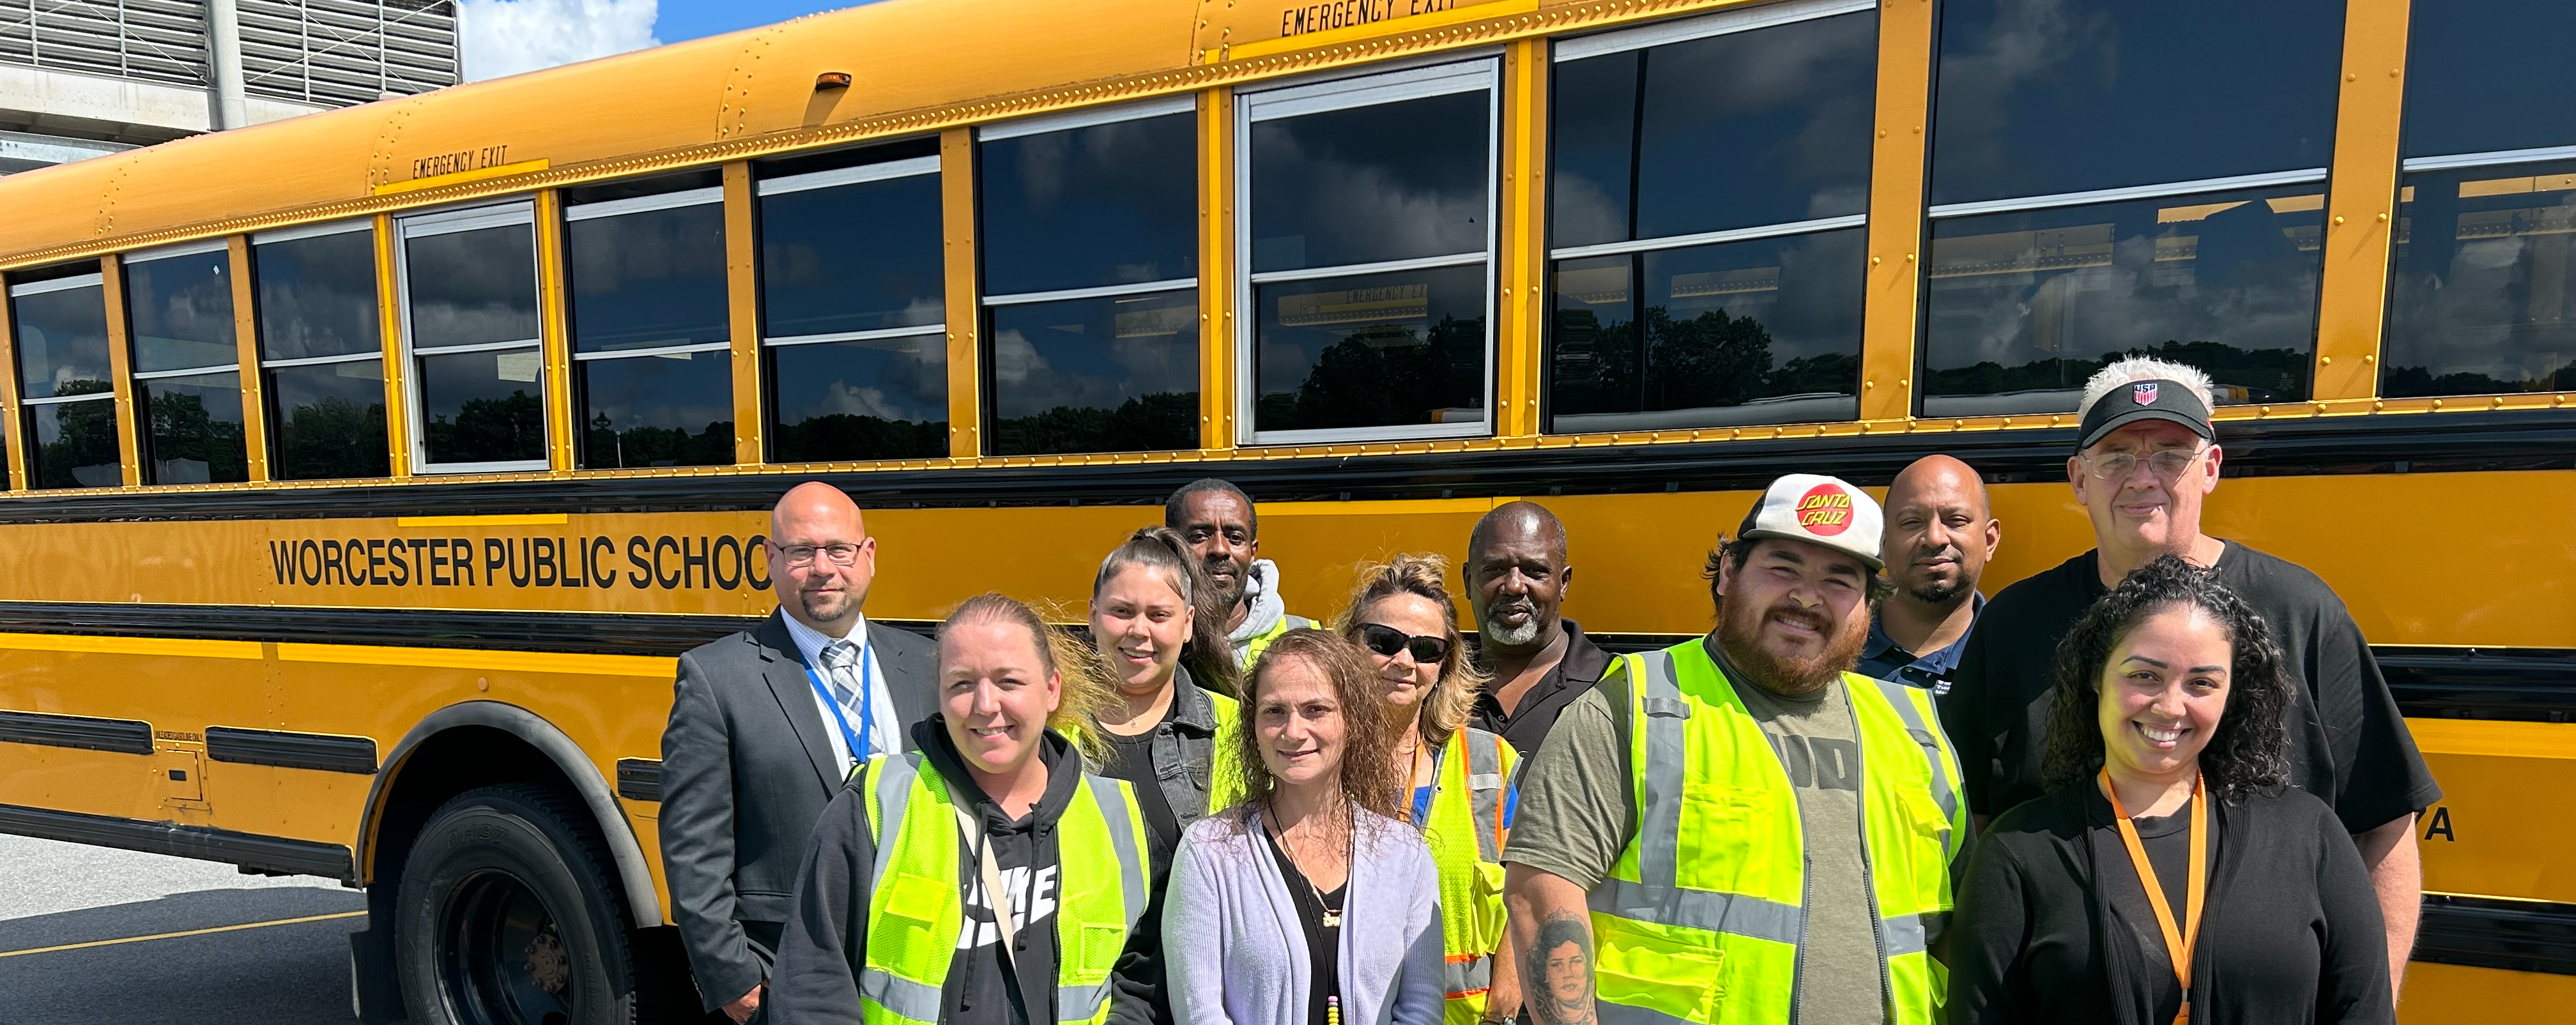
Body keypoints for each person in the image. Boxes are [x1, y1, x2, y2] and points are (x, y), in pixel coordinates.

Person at [1938, 358, 2440, 994]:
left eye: (2171, 454)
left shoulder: (2299, 612)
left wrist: (2372, 998)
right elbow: (1973, 822)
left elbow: (2385, 822)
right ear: (2078, 478)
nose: (2142, 477)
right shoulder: (2017, 624)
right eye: (2116, 455)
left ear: (2210, 469)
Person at [1502, 473, 1968, 1025]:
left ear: (1869, 605)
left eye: (1839, 579)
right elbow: (1540, 895)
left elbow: (1957, 927)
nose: (1806, 596)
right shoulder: (1633, 706)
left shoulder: (1913, 727)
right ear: (1728, 572)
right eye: (1784, 566)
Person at [1948, 556, 2395, 1024]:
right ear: (2095, 676)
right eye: (2145, 675)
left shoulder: (2309, 835)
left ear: (2232, 694)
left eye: (2201, 682)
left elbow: (2363, 1011)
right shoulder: (2019, 851)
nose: (2170, 705)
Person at [769, 593, 1152, 1025]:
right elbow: (813, 985)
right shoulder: (877, 804)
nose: (985, 704)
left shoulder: (1115, 817)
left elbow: (1141, 976)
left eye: (1009, 681)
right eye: (962, 684)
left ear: (1051, 690)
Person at [662, 482, 939, 1022]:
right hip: (789, 972)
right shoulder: (717, 679)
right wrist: (734, 980)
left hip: (917, 962)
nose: (822, 567)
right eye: (800, 551)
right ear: (770, 558)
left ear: (869, 556)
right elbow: (693, 849)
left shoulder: (926, 663)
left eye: (838, 549)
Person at [1164, 629, 1447, 1025]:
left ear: (1352, 720)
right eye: (1274, 711)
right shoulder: (1210, 852)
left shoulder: (1405, 854)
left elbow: (1421, 1008)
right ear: (1253, 726)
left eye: (1316, 709)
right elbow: (1200, 1014)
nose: (1293, 731)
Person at [1338, 555, 1522, 1024]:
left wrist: (1509, 986)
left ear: (1445, 665)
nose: (1404, 662)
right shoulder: (1313, 758)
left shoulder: (1491, 763)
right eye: (1384, 641)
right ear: (1348, 645)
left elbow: (1535, 885)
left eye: (1426, 649)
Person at [1086, 526, 1245, 1024]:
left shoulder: (1235, 728)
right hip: (1087, 1003)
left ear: (1189, 623)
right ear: (1092, 615)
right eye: (1121, 611)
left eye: (1159, 615)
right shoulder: (1051, 736)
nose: (1140, 630)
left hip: (1211, 998)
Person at [1464, 501, 1611, 754]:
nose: (1514, 586)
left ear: (1563, 583)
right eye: (1495, 569)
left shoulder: (1612, 685)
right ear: (1468, 581)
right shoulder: (1431, 685)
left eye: (1534, 571)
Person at [1859, 455, 1999, 694]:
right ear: (1883, 542)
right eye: (1912, 522)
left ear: (1989, 541)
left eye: (1956, 521)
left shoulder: (2016, 657)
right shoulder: (1832, 646)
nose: (1935, 538)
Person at [1165, 478, 1313, 668]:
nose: (1220, 549)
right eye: (1199, 537)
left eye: (1235, 538)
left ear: (1253, 552)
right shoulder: (1148, 644)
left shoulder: (1308, 638)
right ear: (1170, 547)